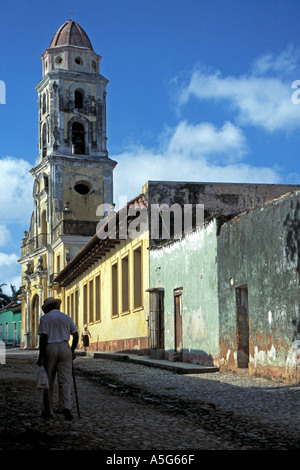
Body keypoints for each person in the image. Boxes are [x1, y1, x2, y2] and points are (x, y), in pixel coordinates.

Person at [37, 297, 79, 421]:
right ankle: (66, 407)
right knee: (65, 380)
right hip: (65, 347)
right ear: (56, 306)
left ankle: (49, 411)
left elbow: (43, 338)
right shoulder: (66, 317)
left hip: (50, 347)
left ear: (47, 308)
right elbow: (75, 334)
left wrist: (41, 356)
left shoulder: (45, 318)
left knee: (48, 380)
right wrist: (72, 350)